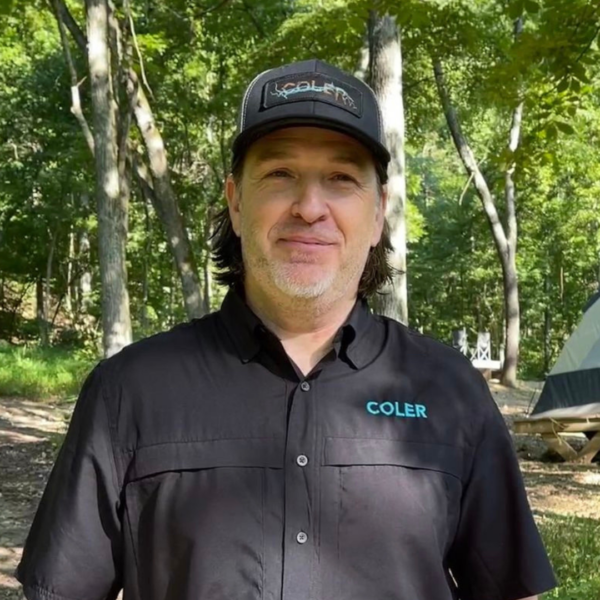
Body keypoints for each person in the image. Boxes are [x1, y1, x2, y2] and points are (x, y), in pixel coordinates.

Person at [15, 59, 556, 600]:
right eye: (280, 175)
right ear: (235, 201)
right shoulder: (128, 392)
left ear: (378, 214)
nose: (309, 207)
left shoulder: (449, 390)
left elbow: (511, 588)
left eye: (341, 179)